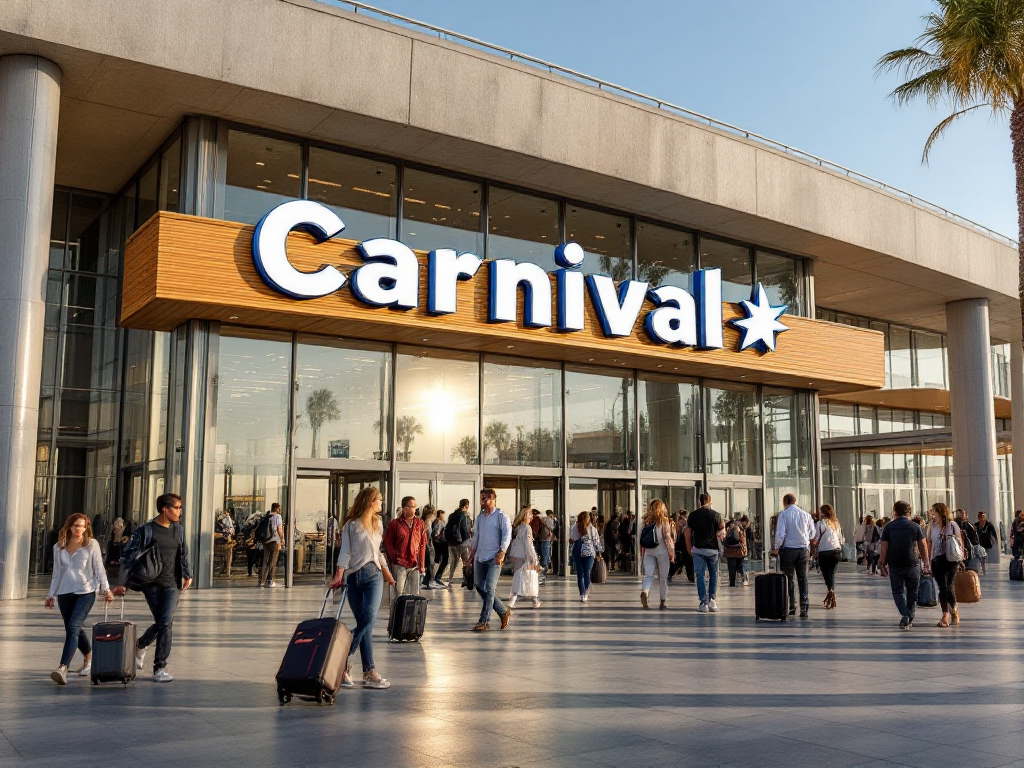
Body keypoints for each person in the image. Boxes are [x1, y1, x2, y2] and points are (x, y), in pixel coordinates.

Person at [112, 493, 192, 682]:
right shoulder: (146, 531)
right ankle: (142, 646)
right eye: (177, 508)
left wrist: (187, 573)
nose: (180, 512)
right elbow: (128, 557)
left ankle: (159, 667)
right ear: (165, 509)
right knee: (164, 623)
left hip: (172, 583)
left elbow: (183, 554)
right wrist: (122, 584)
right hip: (151, 585)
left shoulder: (178, 530)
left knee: (165, 622)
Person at [327, 486, 395, 690]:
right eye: (379, 500)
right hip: (354, 578)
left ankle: (345, 659)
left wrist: (386, 570)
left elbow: (377, 551)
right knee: (366, 624)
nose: (381, 503)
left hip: (374, 575)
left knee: (369, 619)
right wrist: (339, 574)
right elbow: (345, 552)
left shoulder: (378, 523)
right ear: (370, 501)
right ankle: (369, 672)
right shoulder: (351, 525)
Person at [45, 514, 113, 685]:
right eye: (76, 525)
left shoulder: (91, 544)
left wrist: (106, 589)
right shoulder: (58, 546)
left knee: (74, 626)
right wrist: (51, 595)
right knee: (73, 627)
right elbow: (56, 574)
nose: (79, 529)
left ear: (86, 528)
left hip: (86, 591)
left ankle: (63, 668)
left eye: (82, 526)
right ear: (69, 526)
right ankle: (89, 658)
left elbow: (99, 568)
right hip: (65, 593)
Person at [879, 500, 929, 630]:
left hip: (895, 564)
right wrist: (926, 562)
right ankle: (909, 616)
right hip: (912, 563)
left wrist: (882, 563)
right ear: (909, 512)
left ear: (895, 512)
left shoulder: (888, 527)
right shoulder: (916, 527)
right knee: (912, 592)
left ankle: (905, 615)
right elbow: (923, 545)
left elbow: (884, 547)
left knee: (898, 591)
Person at [469, 488, 512, 631]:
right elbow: (476, 537)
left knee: (489, 588)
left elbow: (507, 535)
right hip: (480, 557)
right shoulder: (480, 518)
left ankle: (484, 621)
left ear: (494, 499)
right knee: (480, 586)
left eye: (487, 497)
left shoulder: (501, 516)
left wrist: (502, 551)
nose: (483, 500)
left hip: (494, 557)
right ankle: (503, 611)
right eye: (482, 497)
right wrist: (471, 552)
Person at [773, 493, 817, 619]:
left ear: (785, 502)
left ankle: (791, 605)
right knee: (803, 578)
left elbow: (780, 533)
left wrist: (776, 547)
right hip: (803, 549)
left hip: (789, 550)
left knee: (789, 578)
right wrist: (805, 538)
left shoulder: (784, 515)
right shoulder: (806, 515)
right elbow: (812, 533)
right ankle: (804, 607)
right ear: (795, 501)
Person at [686, 493, 725, 613]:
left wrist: (689, 548)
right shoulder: (716, 515)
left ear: (699, 501)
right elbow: (722, 530)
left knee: (700, 575)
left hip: (697, 549)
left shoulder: (693, 515)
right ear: (710, 501)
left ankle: (703, 603)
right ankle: (712, 600)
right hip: (712, 550)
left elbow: (687, 532)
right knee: (713, 574)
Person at [926, 502, 964, 627]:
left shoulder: (952, 525)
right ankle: (947, 612)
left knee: (948, 586)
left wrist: (961, 558)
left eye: (934, 511)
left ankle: (950, 612)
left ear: (941, 512)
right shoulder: (932, 526)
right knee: (943, 586)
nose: (932, 514)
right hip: (936, 559)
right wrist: (927, 560)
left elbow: (959, 542)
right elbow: (929, 543)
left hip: (951, 559)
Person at [383, 496, 427, 596]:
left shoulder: (420, 524)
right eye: (412, 506)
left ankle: (412, 612)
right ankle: (396, 611)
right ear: (405, 508)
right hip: (399, 564)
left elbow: (423, 544)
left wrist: (422, 564)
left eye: (415, 506)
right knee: (398, 593)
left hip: (414, 564)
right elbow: (388, 542)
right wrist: (395, 558)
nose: (415, 509)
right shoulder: (395, 524)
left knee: (415, 593)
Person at [639, 500, 675, 609]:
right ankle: (662, 601)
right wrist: (671, 553)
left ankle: (645, 591)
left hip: (649, 551)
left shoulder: (645, 522)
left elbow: (641, 539)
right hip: (662, 551)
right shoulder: (664, 521)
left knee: (649, 575)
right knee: (663, 578)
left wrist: (642, 553)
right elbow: (668, 539)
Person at [507, 507, 541, 609]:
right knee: (531, 578)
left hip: (518, 555)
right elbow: (528, 544)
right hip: (526, 556)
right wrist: (534, 558)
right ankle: (534, 599)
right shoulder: (527, 528)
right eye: (530, 514)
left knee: (518, 577)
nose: (532, 516)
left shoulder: (520, 527)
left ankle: (513, 600)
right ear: (526, 516)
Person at [568, 510, 602, 602]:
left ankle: (586, 591)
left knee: (587, 570)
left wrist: (598, 552)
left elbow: (596, 541)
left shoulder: (592, 529)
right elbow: (573, 538)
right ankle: (582, 593)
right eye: (587, 518)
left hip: (589, 552)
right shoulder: (575, 527)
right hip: (578, 551)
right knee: (580, 573)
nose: (589, 519)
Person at [814, 505, 844, 609]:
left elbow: (816, 538)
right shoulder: (836, 523)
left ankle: (831, 592)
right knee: (831, 574)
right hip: (836, 551)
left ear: (822, 513)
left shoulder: (819, 524)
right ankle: (831, 593)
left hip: (824, 551)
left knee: (826, 574)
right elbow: (840, 537)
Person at [443, 499, 472, 586]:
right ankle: (466, 579)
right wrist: (468, 539)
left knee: (454, 562)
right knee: (466, 561)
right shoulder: (463, 515)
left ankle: (450, 579)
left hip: (452, 543)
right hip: (462, 542)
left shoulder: (452, 515)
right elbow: (464, 529)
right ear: (466, 506)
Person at [259, 503, 285, 588]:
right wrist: (282, 539)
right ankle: (270, 580)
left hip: (266, 541)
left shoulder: (266, 516)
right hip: (274, 541)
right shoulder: (278, 517)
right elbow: (279, 529)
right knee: (273, 561)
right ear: (277, 508)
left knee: (265, 561)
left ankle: (262, 581)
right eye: (279, 508)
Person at [723, 515, 748, 588]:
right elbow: (743, 541)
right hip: (739, 551)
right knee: (740, 566)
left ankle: (732, 583)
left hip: (730, 552)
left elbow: (724, 539)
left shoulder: (729, 527)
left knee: (731, 570)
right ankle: (744, 580)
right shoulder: (741, 528)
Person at [420, 506, 437, 589]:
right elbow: (428, 536)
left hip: (426, 545)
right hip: (427, 546)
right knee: (430, 564)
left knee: (428, 563)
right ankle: (428, 581)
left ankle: (427, 581)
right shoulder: (428, 522)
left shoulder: (423, 521)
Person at [431, 510, 450, 588]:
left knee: (438, 559)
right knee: (444, 560)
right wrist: (441, 536)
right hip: (441, 543)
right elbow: (436, 533)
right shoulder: (439, 522)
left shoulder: (437, 522)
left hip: (438, 543)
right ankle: (437, 577)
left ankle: (435, 577)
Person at [214, 509, 235, 577]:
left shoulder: (225, 523)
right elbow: (215, 534)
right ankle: (226, 570)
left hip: (225, 543)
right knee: (228, 554)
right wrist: (223, 534)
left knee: (229, 554)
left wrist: (229, 532)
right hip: (219, 544)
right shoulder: (216, 524)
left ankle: (227, 570)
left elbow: (232, 530)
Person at [535, 507, 553, 582]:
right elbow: (551, 527)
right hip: (546, 539)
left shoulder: (543, 519)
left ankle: (543, 570)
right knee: (545, 556)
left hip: (542, 539)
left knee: (543, 555)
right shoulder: (548, 520)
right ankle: (544, 572)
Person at [326, 513, 340, 578]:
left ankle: (328, 567)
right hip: (331, 541)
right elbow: (337, 531)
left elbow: (336, 531)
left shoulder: (332, 520)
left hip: (331, 541)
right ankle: (329, 567)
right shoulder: (332, 520)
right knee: (330, 555)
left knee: (330, 555)